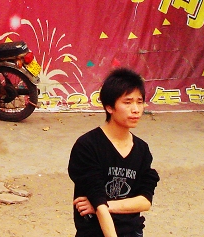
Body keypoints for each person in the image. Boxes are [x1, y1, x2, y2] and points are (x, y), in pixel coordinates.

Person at [68, 68, 160, 237]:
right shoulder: (87, 146)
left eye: (139, 102)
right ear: (109, 107)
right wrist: (100, 205)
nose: (135, 109)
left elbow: (145, 201)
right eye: (127, 102)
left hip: (132, 231)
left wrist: (106, 204)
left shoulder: (142, 149)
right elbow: (99, 202)